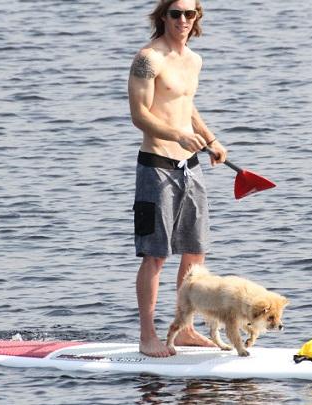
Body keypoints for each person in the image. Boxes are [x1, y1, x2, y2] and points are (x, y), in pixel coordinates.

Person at [127, 0, 228, 357]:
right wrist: (177, 135)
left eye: (190, 13)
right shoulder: (148, 58)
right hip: (156, 167)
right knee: (155, 256)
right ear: (163, 16)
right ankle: (147, 336)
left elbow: (186, 104)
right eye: (175, 13)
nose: (183, 20)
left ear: (197, 17)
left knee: (195, 253)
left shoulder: (194, 60)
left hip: (191, 167)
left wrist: (210, 139)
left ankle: (183, 330)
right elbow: (139, 115)